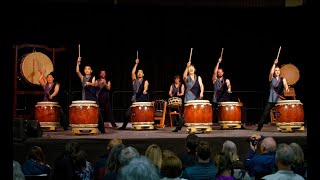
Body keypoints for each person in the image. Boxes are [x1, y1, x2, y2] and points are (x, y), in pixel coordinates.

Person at [256, 58, 289, 131]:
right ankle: (259, 127)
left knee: (282, 113)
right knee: (265, 113)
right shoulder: (271, 78)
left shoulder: (282, 79)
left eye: (278, 70)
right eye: (276, 70)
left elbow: (285, 84)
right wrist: (274, 64)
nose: (277, 72)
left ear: (280, 72)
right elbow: (270, 73)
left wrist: (286, 88)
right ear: (274, 72)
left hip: (279, 99)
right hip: (271, 99)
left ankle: (284, 127)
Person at [172, 61, 204, 132]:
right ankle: (178, 128)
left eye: (192, 68)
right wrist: (186, 67)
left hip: (196, 97)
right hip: (189, 98)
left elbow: (201, 85)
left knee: (198, 112)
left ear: (194, 69)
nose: (191, 69)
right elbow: (184, 76)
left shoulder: (198, 77)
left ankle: (199, 126)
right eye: (190, 68)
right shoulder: (187, 78)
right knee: (185, 114)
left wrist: (201, 92)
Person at [76, 57, 105, 133]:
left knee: (97, 113)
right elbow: (77, 71)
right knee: (84, 112)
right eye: (85, 69)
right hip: (84, 97)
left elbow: (93, 83)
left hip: (92, 98)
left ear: (91, 71)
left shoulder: (93, 77)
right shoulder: (82, 78)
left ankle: (102, 129)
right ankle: (81, 128)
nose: (87, 70)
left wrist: (89, 83)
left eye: (88, 69)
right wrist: (78, 62)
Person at [118, 58, 149, 130]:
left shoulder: (145, 81)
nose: (139, 73)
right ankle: (124, 126)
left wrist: (144, 90)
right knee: (127, 114)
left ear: (143, 74)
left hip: (142, 100)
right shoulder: (134, 80)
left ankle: (147, 125)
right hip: (135, 100)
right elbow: (132, 73)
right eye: (138, 72)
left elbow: (146, 87)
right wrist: (136, 64)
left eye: (141, 72)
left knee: (144, 113)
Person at [212, 56, 232, 124]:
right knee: (214, 112)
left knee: (224, 112)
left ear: (223, 73)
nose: (219, 73)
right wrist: (218, 62)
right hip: (216, 98)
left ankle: (224, 122)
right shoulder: (215, 80)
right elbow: (214, 72)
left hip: (223, 98)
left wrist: (229, 88)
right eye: (218, 72)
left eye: (220, 72)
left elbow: (229, 85)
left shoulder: (226, 80)